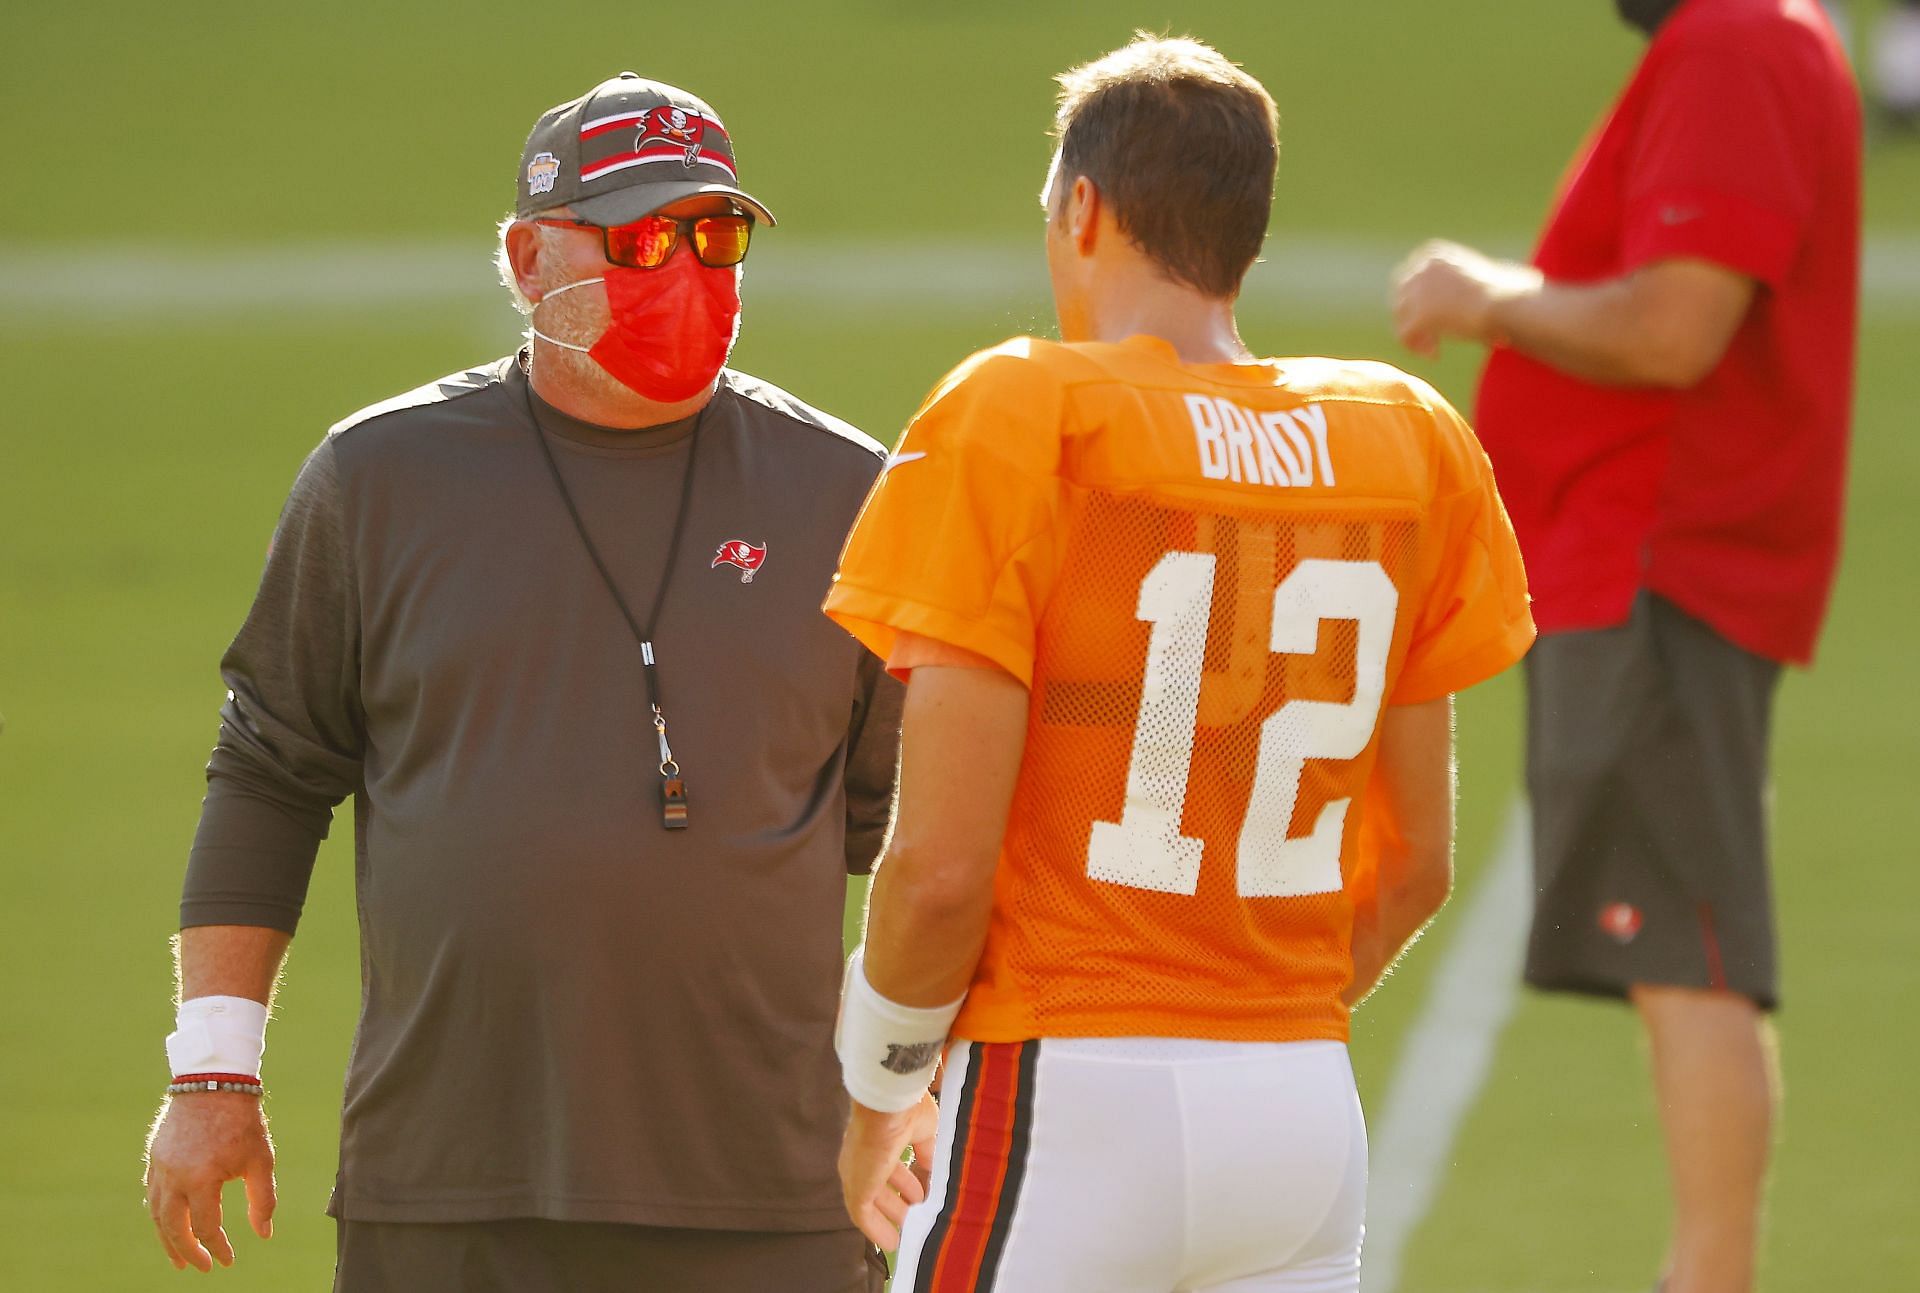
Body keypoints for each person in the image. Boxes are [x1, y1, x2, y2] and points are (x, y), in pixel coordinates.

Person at [141, 72, 901, 1293]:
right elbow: (268, 773)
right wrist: (213, 1075)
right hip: (449, 1186)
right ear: (528, 258)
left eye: (717, 237)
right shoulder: (382, 479)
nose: (688, 274)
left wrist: (914, 1089)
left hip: (772, 1191)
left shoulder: (846, 495)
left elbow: (922, 834)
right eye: (643, 239)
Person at [823, 35, 1535, 1292]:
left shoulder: (1023, 415)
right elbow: (1415, 861)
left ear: (1082, 208)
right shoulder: (1406, 438)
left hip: (1064, 1089)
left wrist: (881, 1081)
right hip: (1300, 1116)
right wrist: (1244, 1027)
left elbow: (937, 873)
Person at [1390, 2, 1859, 1290]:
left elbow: (1673, 327)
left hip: (1660, 547)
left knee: (1687, 952)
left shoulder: (1736, 40)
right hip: (1661, 551)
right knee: (1679, 949)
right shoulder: (1766, 34)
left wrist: (1491, 300)